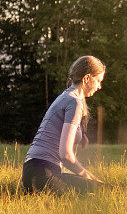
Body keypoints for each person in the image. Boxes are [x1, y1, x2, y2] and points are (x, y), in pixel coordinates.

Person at [22, 55, 105, 195]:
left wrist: (81, 135)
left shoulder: (66, 96)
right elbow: (65, 155)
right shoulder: (74, 102)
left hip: (33, 171)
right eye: (98, 81)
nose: (99, 86)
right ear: (86, 78)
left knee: (96, 188)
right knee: (102, 191)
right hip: (43, 173)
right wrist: (87, 175)